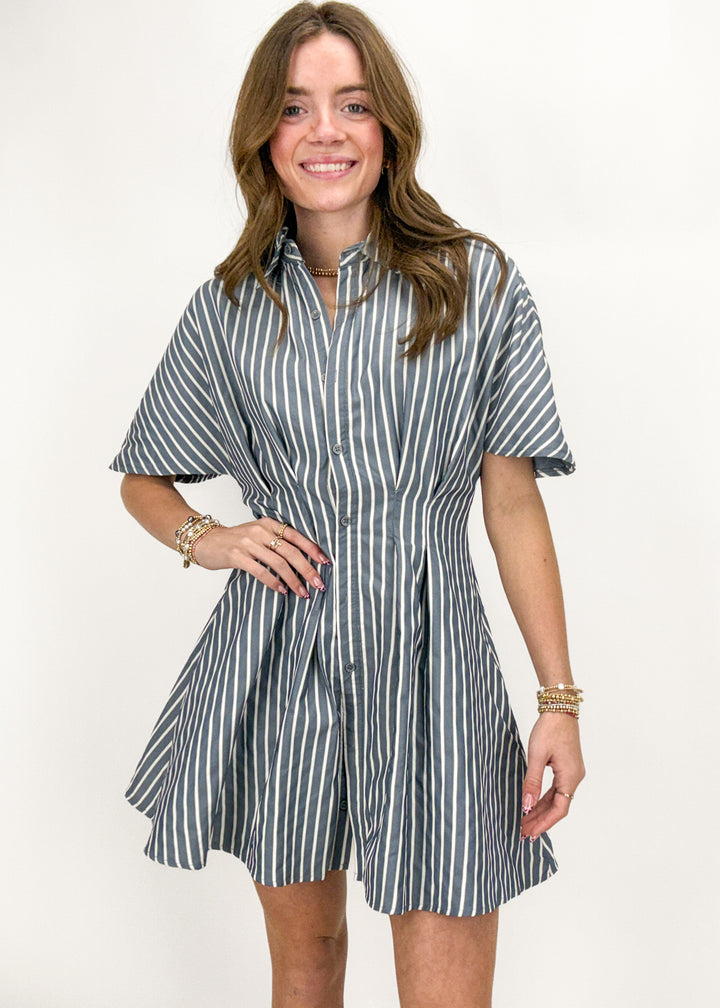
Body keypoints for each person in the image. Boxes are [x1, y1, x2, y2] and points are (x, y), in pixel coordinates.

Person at [109, 2, 586, 1005]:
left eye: (353, 104)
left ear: (389, 127)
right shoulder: (229, 307)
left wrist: (558, 701)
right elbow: (143, 478)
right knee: (308, 964)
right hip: (278, 659)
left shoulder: (475, 284)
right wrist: (211, 538)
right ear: (263, 135)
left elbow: (511, 504)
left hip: (435, 668)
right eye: (295, 107)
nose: (324, 131)